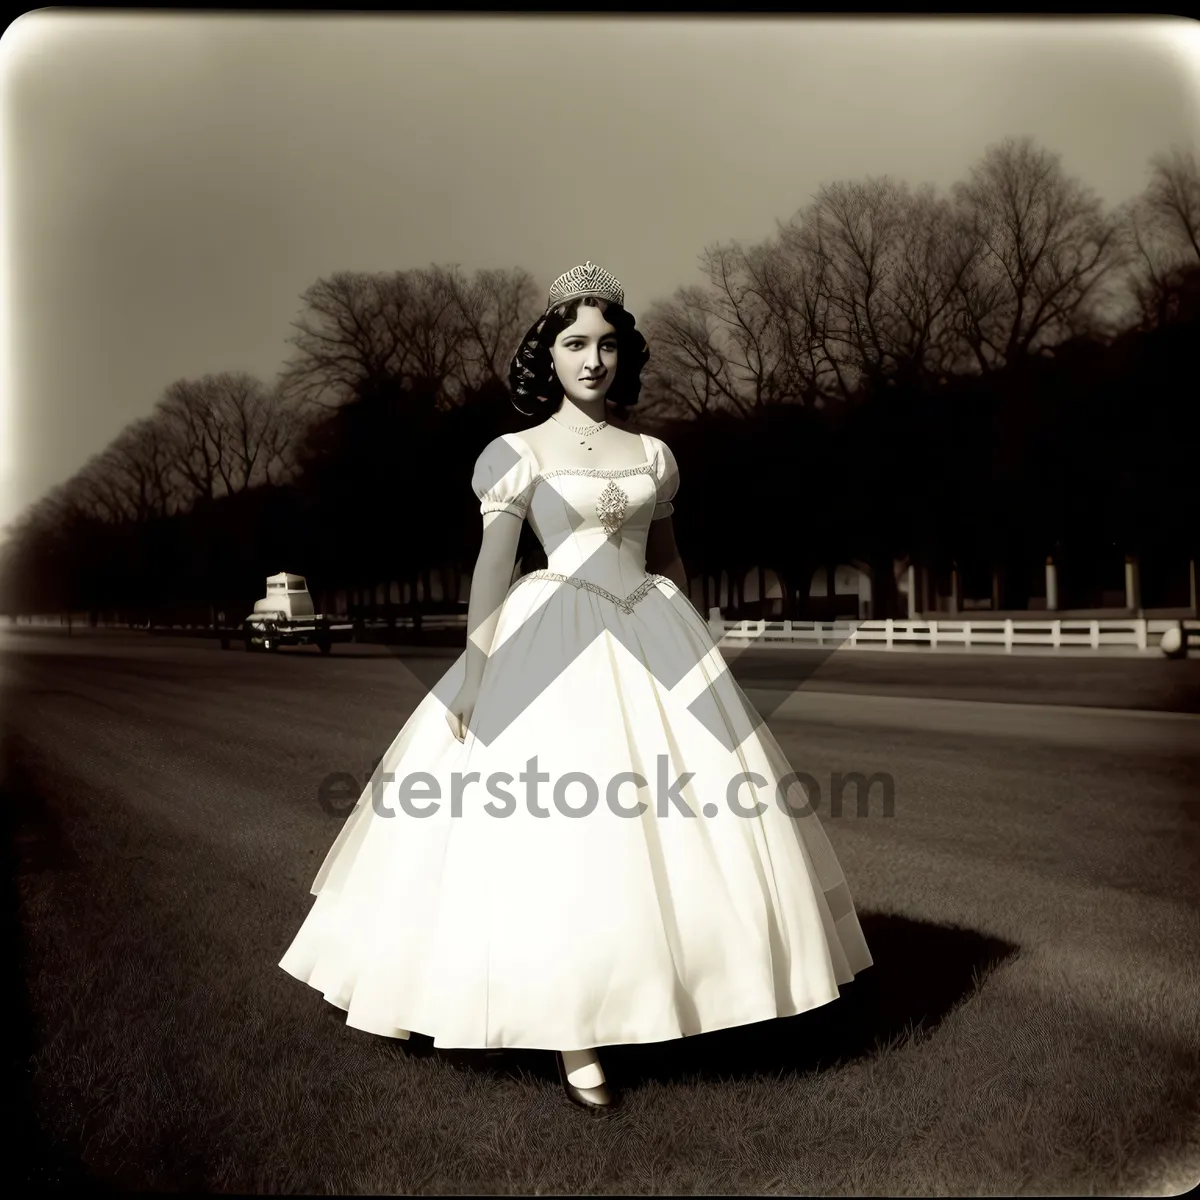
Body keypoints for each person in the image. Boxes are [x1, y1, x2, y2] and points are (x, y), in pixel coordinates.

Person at [279, 260, 873, 1115]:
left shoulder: (656, 456)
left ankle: (697, 991)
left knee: (684, 824)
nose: (591, 360)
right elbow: (490, 573)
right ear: (547, 356)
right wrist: (477, 675)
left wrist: (700, 654)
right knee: (565, 830)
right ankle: (574, 1030)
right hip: (550, 633)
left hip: (655, 632)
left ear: (623, 355)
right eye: (573, 344)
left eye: (604, 345)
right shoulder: (514, 456)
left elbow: (668, 560)